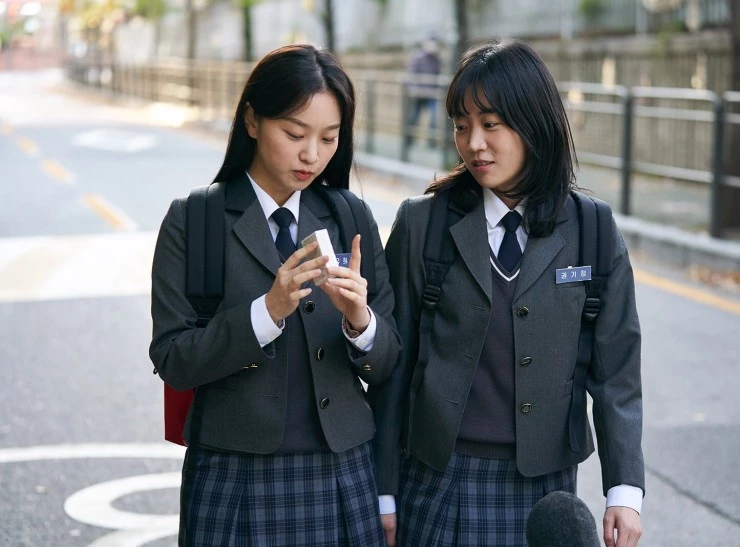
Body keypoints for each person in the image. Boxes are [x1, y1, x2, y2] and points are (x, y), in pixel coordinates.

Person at [371, 39, 644, 547]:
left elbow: (617, 376)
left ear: (533, 123)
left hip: (544, 490)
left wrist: (624, 491)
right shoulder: (423, 224)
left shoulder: (593, 229)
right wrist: (384, 491)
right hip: (436, 484)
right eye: (461, 126)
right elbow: (394, 368)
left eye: (491, 124)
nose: (474, 143)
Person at [150, 44, 401, 546]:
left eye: (329, 137)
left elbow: (389, 360)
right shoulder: (195, 220)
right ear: (252, 120)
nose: (312, 155)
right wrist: (265, 313)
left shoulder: (350, 216)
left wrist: (361, 322)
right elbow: (173, 359)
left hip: (343, 466)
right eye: (294, 134)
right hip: (234, 471)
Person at [404, 34, 442, 148]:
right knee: (414, 117)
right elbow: (410, 75)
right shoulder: (418, 58)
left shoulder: (436, 59)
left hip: (431, 95)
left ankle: (431, 143)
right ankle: (408, 140)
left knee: (434, 118)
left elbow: (438, 76)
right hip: (419, 94)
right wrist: (414, 90)